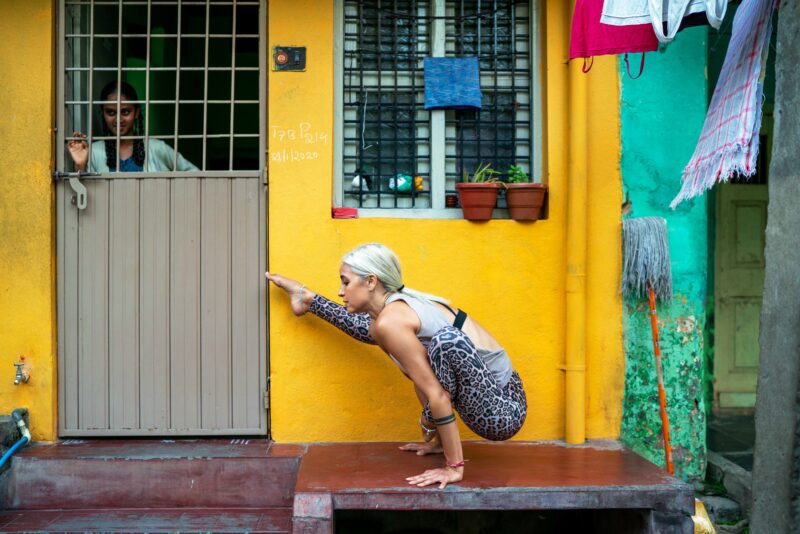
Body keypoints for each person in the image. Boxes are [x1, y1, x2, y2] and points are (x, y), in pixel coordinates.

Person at [266, 243, 527, 489]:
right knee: (379, 332)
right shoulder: (393, 309)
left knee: (443, 342)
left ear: (371, 281)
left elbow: (436, 392)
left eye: (346, 282)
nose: (341, 291)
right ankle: (307, 299)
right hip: (495, 395)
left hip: (502, 412)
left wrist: (452, 466)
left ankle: (447, 449)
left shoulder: (393, 320)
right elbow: (375, 336)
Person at [67, 81, 197, 172]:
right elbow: (85, 197)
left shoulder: (157, 148)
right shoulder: (93, 152)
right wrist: (80, 165)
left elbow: (195, 176)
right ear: (103, 113)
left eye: (125, 112)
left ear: (136, 112)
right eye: (111, 112)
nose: (118, 119)